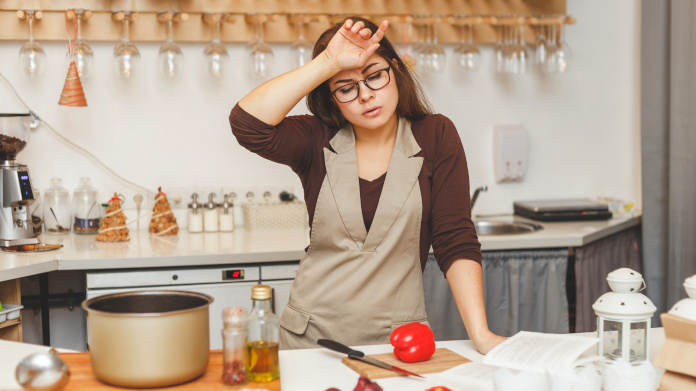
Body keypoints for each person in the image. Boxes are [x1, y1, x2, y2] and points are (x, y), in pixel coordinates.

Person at [229, 16, 505, 354]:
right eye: (346, 88)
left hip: (399, 342)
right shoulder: (317, 138)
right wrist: (328, 63)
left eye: (374, 76)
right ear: (332, 99)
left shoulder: (435, 135)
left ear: (396, 70)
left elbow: (454, 238)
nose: (366, 96)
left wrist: (481, 334)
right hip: (310, 339)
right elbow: (247, 124)